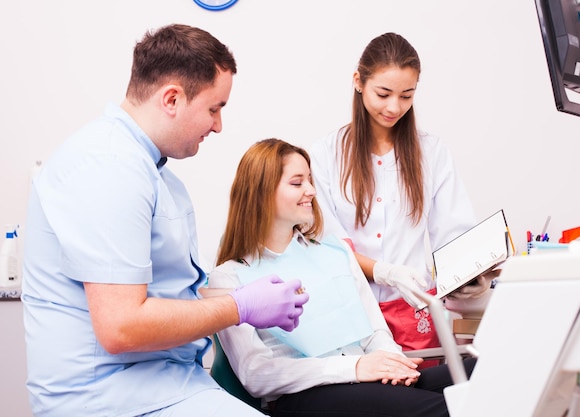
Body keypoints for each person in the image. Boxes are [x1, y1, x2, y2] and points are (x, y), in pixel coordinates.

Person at [21, 24, 309, 417]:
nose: (218, 125)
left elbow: (162, 298)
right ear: (172, 98)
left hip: (164, 384)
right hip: (108, 399)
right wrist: (239, 306)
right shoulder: (108, 166)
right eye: (214, 108)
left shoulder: (152, 173)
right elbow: (122, 325)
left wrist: (249, 297)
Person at [208, 138, 475, 417]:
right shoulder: (229, 277)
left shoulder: (336, 252)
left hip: (367, 379)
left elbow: (375, 331)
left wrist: (393, 363)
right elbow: (256, 375)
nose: (311, 190)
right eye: (297, 183)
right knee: (457, 408)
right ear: (261, 193)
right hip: (306, 395)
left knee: (491, 371)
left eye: (309, 181)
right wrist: (355, 368)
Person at [308, 32, 494, 364]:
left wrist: (472, 272)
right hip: (352, 314)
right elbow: (328, 244)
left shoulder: (431, 152)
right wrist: (384, 271)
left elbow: (453, 234)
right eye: (384, 93)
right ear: (358, 82)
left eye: (407, 96)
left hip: (415, 314)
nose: (394, 107)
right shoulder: (325, 155)